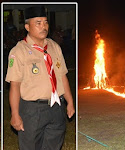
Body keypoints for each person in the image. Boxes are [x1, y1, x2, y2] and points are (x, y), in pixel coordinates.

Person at [5, 6, 75, 150]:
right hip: (32, 110)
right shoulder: (19, 51)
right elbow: (15, 85)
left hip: (56, 106)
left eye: (45, 22)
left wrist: (70, 102)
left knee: (54, 144)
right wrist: (15, 114)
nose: (43, 26)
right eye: (38, 23)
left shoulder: (54, 46)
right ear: (27, 26)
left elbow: (62, 76)